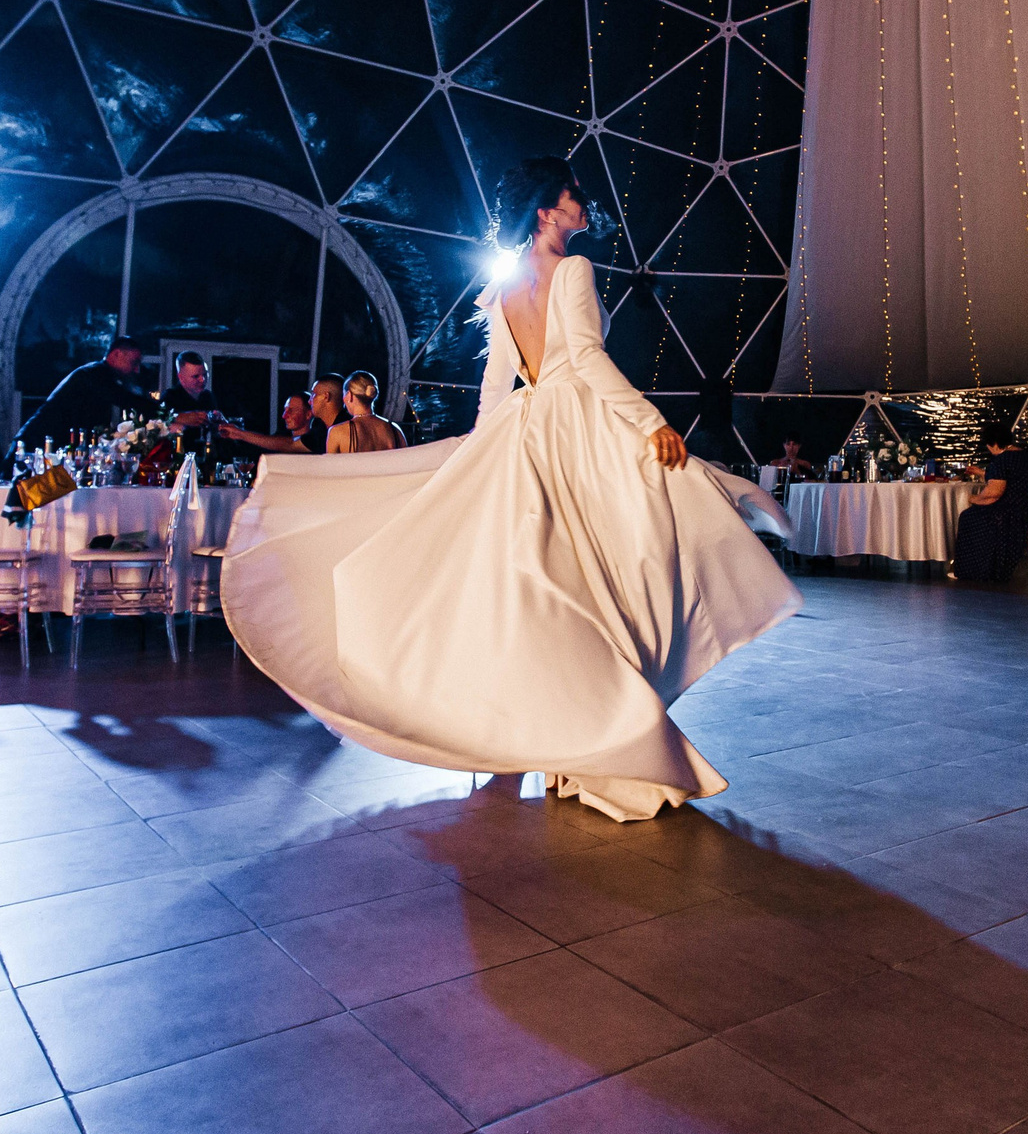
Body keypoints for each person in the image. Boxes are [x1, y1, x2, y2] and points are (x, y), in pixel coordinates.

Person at [221, 158, 798, 822]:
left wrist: (484, 450)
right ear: (547, 210)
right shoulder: (572, 269)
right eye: (574, 194)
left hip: (525, 432)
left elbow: (498, 383)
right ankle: (606, 736)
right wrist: (651, 422)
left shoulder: (506, 283)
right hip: (573, 427)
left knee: (560, 585)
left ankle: (578, 739)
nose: (585, 203)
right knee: (631, 551)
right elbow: (584, 358)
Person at [13, 337, 164, 450]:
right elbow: (125, 399)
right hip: (35, 446)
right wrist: (164, 413)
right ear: (117, 354)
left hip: (47, 445)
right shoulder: (94, 374)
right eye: (134, 362)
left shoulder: (99, 375)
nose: (136, 370)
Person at [952, 417, 1028, 584]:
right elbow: (1012, 478)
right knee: (974, 514)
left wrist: (972, 499)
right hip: (1022, 510)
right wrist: (983, 473)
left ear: (994, 444)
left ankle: (975, 570)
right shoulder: (1024, 456)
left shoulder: (1001, 460)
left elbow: (994, 494)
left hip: (1007, 515)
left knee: (968, 516)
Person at [220, 378, 340, 455]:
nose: (284, 416)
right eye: (284, 410)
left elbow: (290, 444)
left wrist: (239, 433)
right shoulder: (279, 440)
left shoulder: (330, 433)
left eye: (313, 395)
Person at [326, 370, 404, 453]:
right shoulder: (395, 430)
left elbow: (330, 465)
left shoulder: (338, 432)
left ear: (349, 395)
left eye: (344, 395)